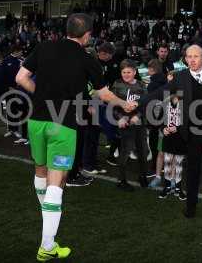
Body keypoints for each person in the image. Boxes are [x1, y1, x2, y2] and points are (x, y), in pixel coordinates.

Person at [15, 13, 134, 261]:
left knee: (40, 171)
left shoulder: (44, 47)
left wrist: (41, 96)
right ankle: (47, 245)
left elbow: (20, 78)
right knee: (56, 183)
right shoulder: (88, 59)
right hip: (63, 125)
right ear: (87, 35)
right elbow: (104, 95)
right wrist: (124, 103)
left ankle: (47, 220)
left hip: (35, 122)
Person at [139, 44, 202, 218]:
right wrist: (139, 103)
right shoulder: (180, 77)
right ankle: (191, 204)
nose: (191, 60)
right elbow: (161, 93)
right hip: (193, 128)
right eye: (188, 56)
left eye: (195, 56)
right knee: (193, 167)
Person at [111, 60, 149, 191]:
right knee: (125, 151)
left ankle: (143, 175)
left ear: (134, 71)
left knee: (143, 151)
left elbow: (146, 104)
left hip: (139, 123)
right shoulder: (117, 85)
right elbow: (112, 105)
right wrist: (120, 118)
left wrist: (137, 116)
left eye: (129, 72)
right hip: (125, 124)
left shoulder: (141, 85)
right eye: (124, 72)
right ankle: (121, 180)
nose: (126, 74)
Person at [158, 94, 187, 200]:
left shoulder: (186, 103)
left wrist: (178, 129)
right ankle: (167, 186)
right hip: (168, 138)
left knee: (179, 163)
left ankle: (178, 188)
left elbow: (190, 122)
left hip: (181, 138)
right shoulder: (165, 103)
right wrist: (163, 129)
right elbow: (160, 121)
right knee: (167, 162)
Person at [147, 59, 168, 188]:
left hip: (155, 115)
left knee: (155, 142)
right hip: (165, 115)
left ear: (152, 70)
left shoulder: (152, 84)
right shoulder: (166, 81)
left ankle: (155, 165)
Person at [3, 44, 25, 140]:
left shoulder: (22, 61)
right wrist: (7, 87)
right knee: (9, 109)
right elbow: (3, 76)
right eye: (20, 51)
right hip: (8, 90)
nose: (22, 53)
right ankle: (10, 129)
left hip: (19, 90)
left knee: (17, 110)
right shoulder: (6, 60)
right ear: (16, 51)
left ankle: (16, 130)